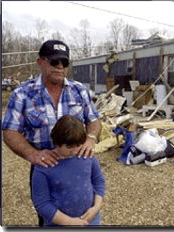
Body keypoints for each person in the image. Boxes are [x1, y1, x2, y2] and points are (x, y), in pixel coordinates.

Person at [2, 40, 102, 226]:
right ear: (40, 62)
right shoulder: (22, 94)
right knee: (48, 215)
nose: (60, 67)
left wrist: (90, 138)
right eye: (54, 62)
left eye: (64, 62)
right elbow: (9, 131)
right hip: (45, 165)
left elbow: (94, 120)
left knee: (85, 209)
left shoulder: (79, 90)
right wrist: (33, 154)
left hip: (78, 162)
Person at [32, 115, 105, 226]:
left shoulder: (87, 156)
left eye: (78, 145)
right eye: (69, 147)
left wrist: (96, 207)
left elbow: (98, 181)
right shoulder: (43, 167)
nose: (75, 151)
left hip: (91, 219)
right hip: (58, 224)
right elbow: (42, 203)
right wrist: (69, 222)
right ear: (57, 141)